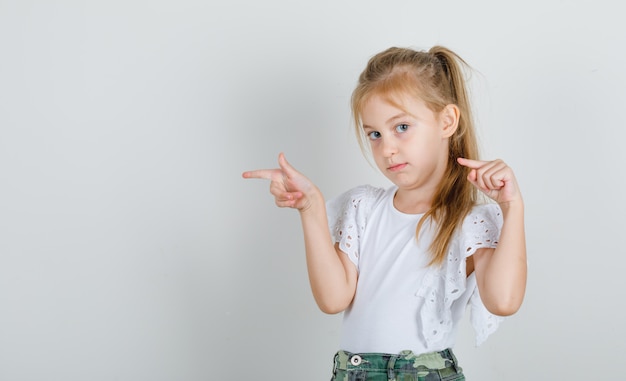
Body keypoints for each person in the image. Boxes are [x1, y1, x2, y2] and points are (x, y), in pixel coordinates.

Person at [242, 45, 527, 380]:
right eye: (374, 134)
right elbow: (333, 299)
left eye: (402, 127)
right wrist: (311, 208)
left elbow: (503, 301)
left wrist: (512, 207)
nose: (387, 148)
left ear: (447, 121)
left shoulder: (470, 222)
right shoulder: (363, 208)